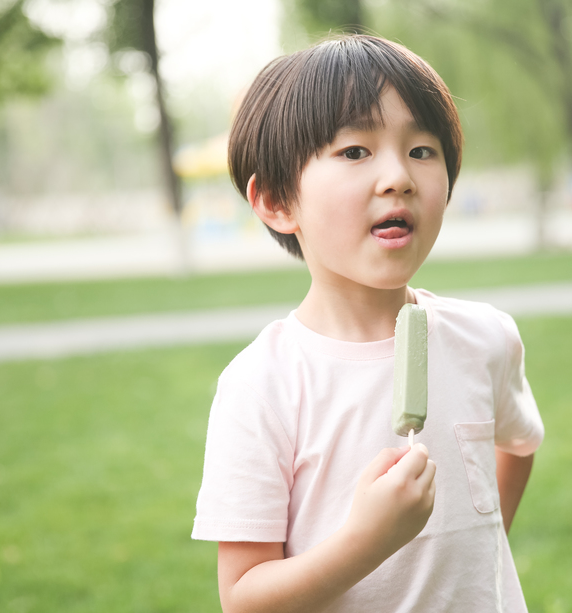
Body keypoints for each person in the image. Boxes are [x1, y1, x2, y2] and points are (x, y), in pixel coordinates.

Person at [192, 34, 545, 612]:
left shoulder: (486, 337)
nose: (398, 176)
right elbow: (244, 598)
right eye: (356, 151)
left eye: (422, 150)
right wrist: (367, 541)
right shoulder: (264, 384)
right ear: (279, 201)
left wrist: (487, 546)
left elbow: (521, 441)